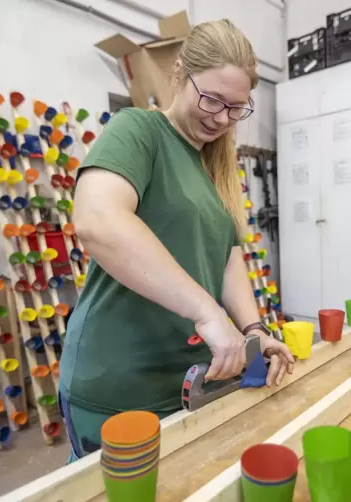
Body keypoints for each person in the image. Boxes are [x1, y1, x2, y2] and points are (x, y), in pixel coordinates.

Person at [58, 19, 295, 461]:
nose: (222, 118)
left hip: (193, 379)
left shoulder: (215, 168)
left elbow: (226, 257)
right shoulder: (139, 131)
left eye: (236, 108)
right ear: (180, 73)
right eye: (211, 99)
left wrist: (253, 331)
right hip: (119, 380)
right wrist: (206, 312)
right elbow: (97, 219)